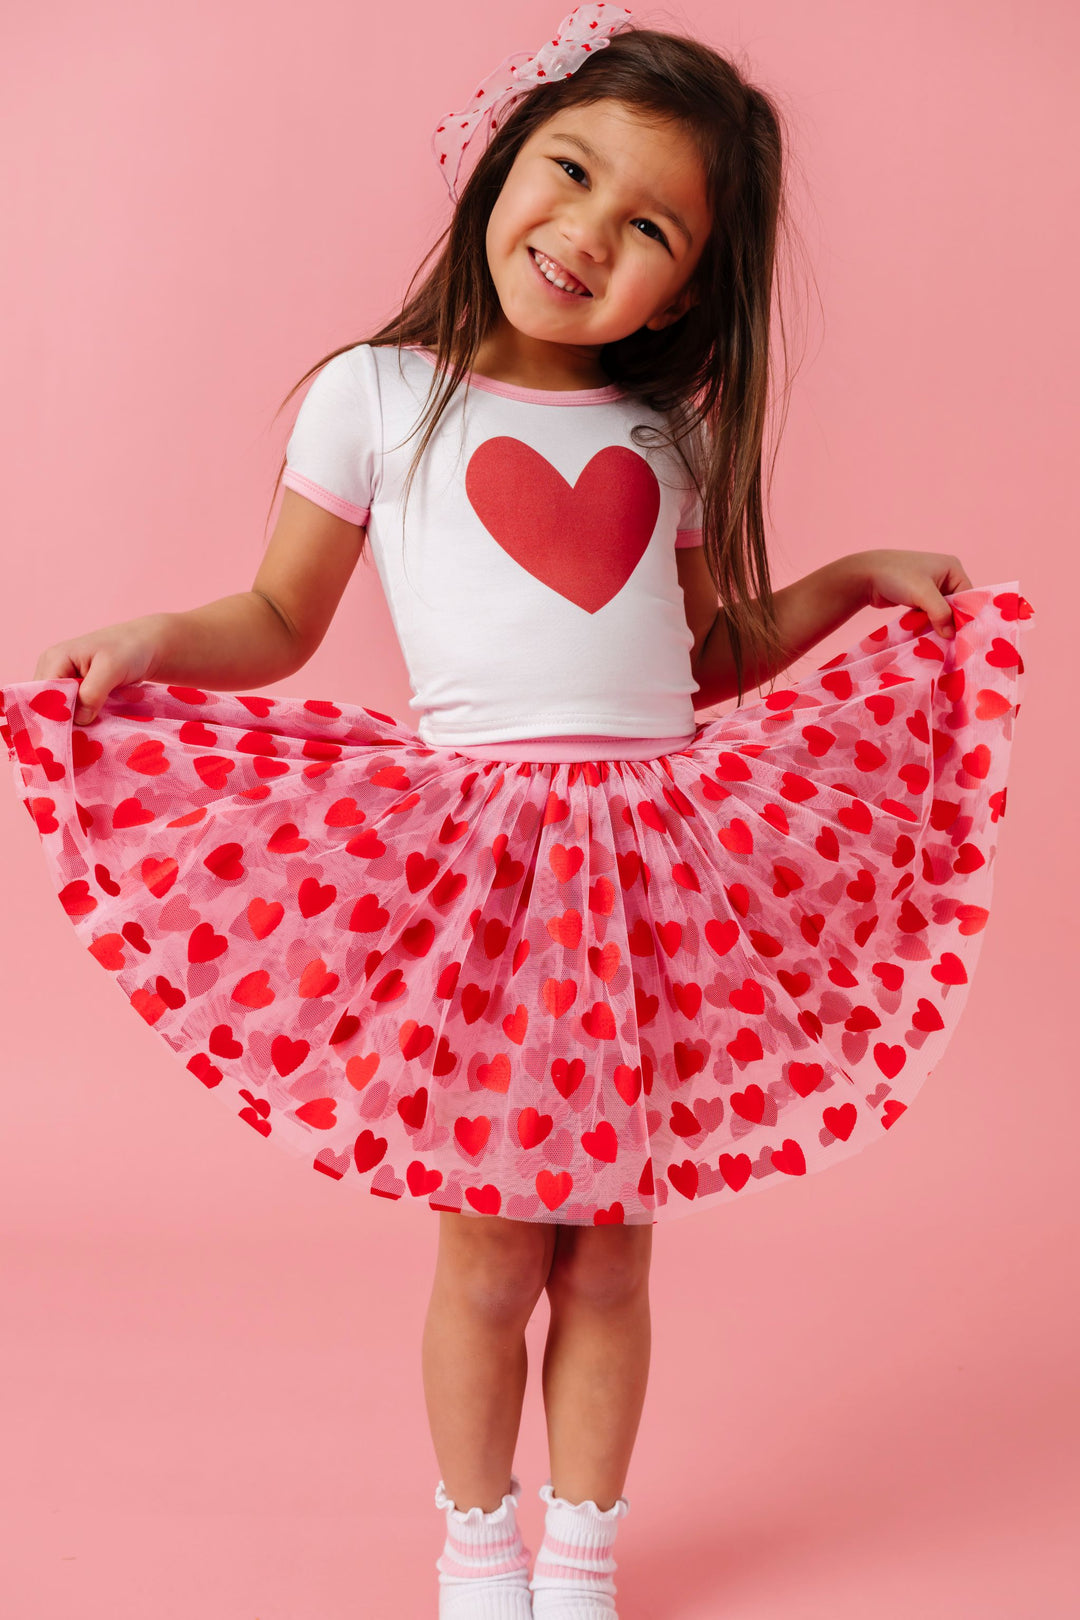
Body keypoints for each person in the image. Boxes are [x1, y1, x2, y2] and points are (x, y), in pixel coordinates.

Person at [0, 6, 1034, 1617]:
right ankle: (478, 1545)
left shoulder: (665, 434)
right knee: (491, 1252)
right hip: (483, 875)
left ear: (687, 288)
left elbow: (696, 661)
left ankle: (583, 1554)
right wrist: (142, 640)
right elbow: (278, 620)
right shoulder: (377, 394)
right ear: (504, 157)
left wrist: (840, 586)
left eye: (649, 230)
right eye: (570, 173)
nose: (586, 236)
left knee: (612, 1253)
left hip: (650, 873)